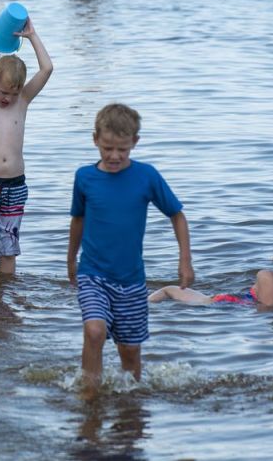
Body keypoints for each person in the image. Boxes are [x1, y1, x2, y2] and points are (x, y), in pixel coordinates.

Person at [67, 103, 194, 391]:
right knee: (95, 330)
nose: (114, 156)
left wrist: (184, 260)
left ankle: (131, 403)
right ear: (95, 139)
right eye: (108, 148)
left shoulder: (146, 177)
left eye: (122, 149)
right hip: (93, 274)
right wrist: (71, 259)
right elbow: (78, 220)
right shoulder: (84, 177)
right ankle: (89, 395)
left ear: (134, 142)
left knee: (130, 352)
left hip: (131, 281)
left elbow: (177, 215)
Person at [0, 18, 53, 275]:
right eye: (4, 92)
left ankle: (3, 301)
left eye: (13, 94)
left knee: (8, 249)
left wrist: (32, 36)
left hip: (15, 187)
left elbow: (47, 69)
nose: (8, 98)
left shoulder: (22, 101)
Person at [149, 236, 273, 306]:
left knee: (169, 289)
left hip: (226, 302)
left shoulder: (267, 276)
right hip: (234, 305)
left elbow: (267, 309)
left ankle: (143, 306)